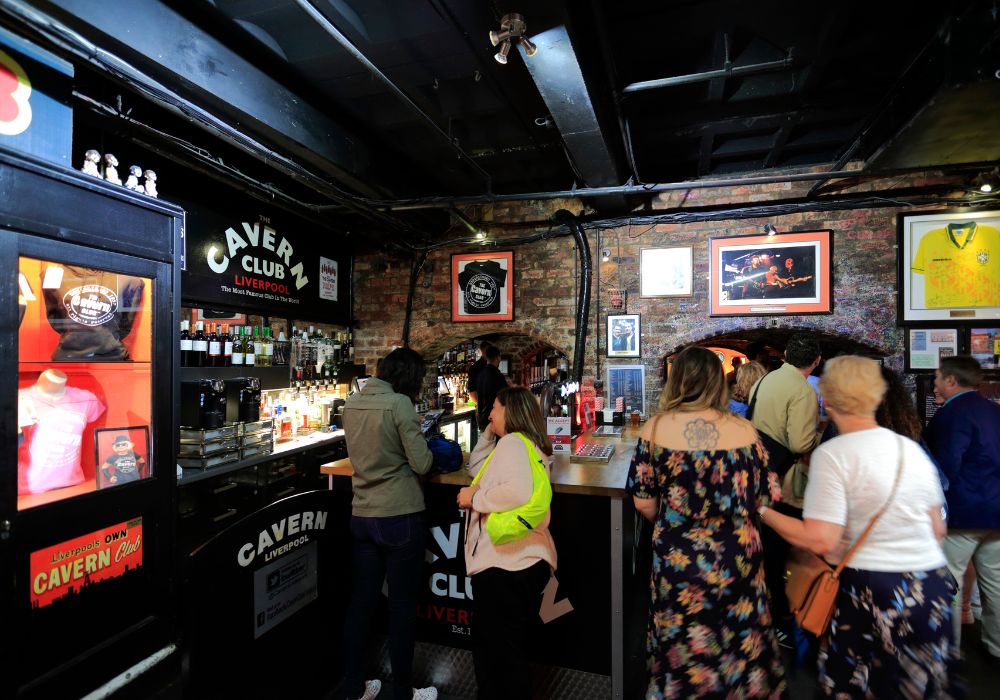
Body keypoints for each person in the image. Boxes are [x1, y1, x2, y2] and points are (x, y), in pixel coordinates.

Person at [760, 355, 956, 697]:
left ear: (829, 399)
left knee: (857, 685)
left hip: (874, 590)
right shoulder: (911, 448)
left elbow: (820, 539)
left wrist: (762, 510)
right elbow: (938, 527)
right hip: (930, 589)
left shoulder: (835, 453)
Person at [626, 346, 786, 698]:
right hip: (738, 560)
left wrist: (679, 525)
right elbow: (768, 495)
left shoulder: (655, 430)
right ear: (718, 381)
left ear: (676, 380)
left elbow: (643, 501)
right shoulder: (746, 431)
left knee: (684, 650)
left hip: (681, 564)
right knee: (737, 647)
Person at [341, 347, 438, 700]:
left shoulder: (351, 402)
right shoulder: (400, 405)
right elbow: (423, 463)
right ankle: (403, 692)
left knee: (362, 603)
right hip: (399, 515)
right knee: (401, 607)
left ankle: (355, 686)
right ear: (407, 377)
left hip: (362, 513)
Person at [457, 387, 557, 700]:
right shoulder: (526, 446)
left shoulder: (513, 443)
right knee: (507, 651)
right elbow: (478, 470)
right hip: (522, 562)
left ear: (510, 412)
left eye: (495, 410)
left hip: (505, 563)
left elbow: (517, 492)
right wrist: (488, 434)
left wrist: (475, 499)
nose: (489, 414)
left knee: (496, 656)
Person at [924, 355, 1000, 663]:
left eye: (938, 378)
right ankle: (996, 648)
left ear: (952, 381)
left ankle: (948, 650)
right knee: (995, 583)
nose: (935, 383)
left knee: (948, 583)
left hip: (963, 513)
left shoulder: (951, 415)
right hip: (996, 511)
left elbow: (946, 468)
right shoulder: (994, 411)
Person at [747, 332, 822, 642]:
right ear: (816, 361)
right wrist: (823, 433)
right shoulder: (803, 391)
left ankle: (762, 610)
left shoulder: (762, 381)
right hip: (786, 480)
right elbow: (801, 442)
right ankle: (785, 618)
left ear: (786, 355)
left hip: (760, 473)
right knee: (785, 552)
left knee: (766, 548)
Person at [473, 345, 508, 431]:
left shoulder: (480, 374)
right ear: (498, 358)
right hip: (494, 418)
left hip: (481, 417)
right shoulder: (498, 376)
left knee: (485, 442)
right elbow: (505, 397)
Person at [467, 340, 492, 405]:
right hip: (483, 407)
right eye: (488, 350)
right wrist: (481, 405)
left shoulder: (491, 365)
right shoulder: (475, 367)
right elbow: (471, 390)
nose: (489, 352)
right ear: (482, 350)